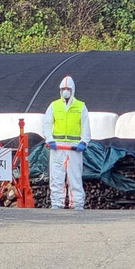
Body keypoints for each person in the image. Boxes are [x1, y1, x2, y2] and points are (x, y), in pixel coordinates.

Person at [43, 75, 91, 210]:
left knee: (75, 177)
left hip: (74, 148)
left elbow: (86, 126)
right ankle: (56, 203)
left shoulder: (81, 106)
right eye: (63, 88)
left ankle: (77, 204)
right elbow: (47, 124)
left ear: (72, 90)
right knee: (56, 178)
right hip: (57, 147)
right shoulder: (54, 106)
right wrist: (50, 140)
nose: (65, 91)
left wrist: (84, 142)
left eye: (68, 88)